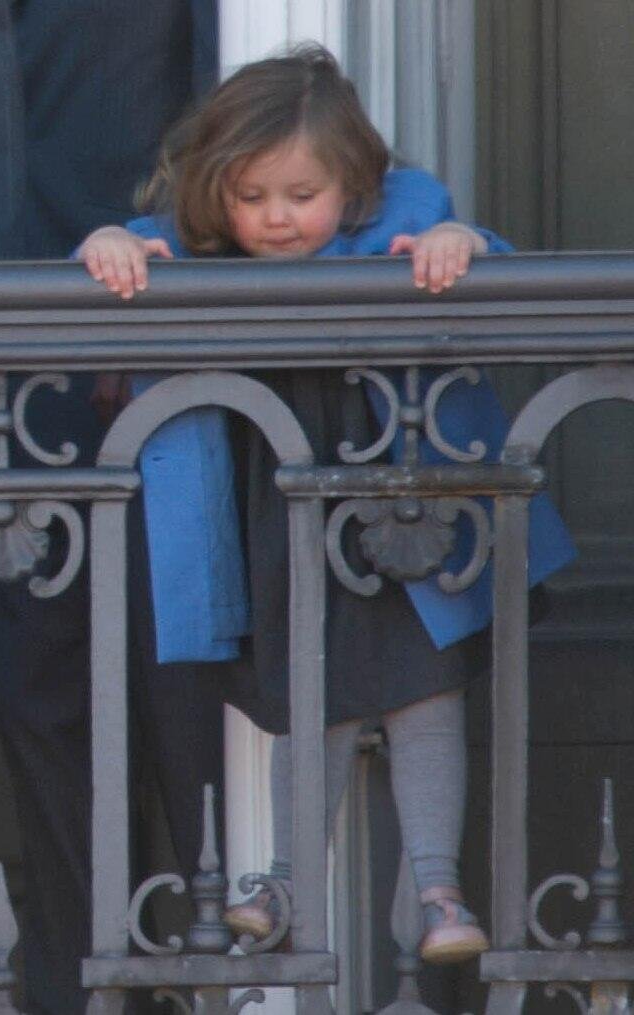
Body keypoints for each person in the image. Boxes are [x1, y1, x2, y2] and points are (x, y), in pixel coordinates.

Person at [76, 45, 575, 965]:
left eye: (299, 196)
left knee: (429, 697)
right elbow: (123, 249)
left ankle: (438, 887)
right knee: (318, 696)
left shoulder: (408, 213)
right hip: (288, 524)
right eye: (251, 195)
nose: (274, 218)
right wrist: (106, 244)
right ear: (217, 189)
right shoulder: (197, 244)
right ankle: (290, 877)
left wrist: (456, 248)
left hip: (412, 510)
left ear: (354, 182)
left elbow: (483, 256)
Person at [0, 3, 221, 1013]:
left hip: (125, 370)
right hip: (26, 386)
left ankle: (164, 981)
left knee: (166, 693)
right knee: (43, 693)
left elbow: (250, 122)